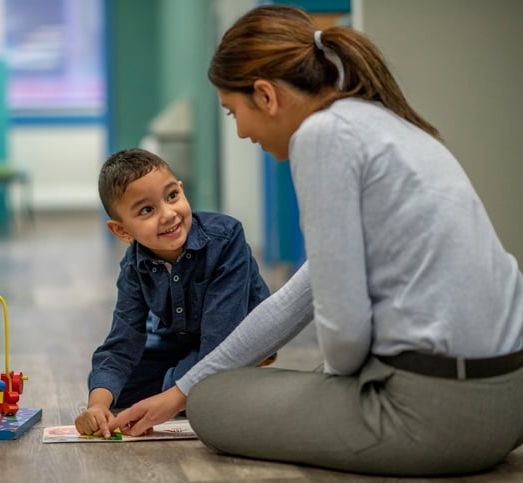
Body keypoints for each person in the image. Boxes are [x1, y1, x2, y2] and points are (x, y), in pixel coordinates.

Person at [109, 5, 523, 477]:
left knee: (213, 403)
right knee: (207, 388)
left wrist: (198, 396)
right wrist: (176, 392)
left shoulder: (322, 137)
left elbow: (345, 345)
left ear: (264, 95)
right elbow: (293, 300)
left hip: (435, 419)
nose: (241, 131)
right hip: (511, 404)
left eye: (233, 112)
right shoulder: (385, 122)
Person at [75, 147, 271, 438]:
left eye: (172, 197)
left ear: (181, 189)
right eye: (146, 210)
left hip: (232, 339)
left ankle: (227, 373)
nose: (168, 215)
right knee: (108, 384)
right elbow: (122, 341)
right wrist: (97, 405)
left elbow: (221, 338)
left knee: (179, 384)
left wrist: (175, 389)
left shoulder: (226, 238)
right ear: (121, 231)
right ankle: (183, 381)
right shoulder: (134, 265)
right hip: (179, 341)